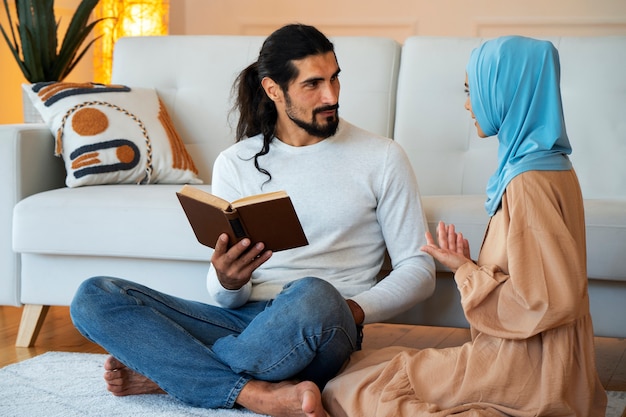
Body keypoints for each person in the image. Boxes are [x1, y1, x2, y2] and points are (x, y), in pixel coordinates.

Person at [70, 23, 435, 417]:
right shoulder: (236, 162)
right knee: (93, 295)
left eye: (334, 79)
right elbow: (224, 296)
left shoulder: (381, 156)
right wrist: (228, 280)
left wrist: (352, 309)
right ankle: (253, 393)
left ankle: (174, 373)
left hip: (325, 321)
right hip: (241, 322)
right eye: (313, 84)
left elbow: (419, 268)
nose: (331, 96)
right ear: (273, 90)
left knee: (312, 291)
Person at [319, 36, 607, 416]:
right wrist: (467, 266)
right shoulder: (553, 166)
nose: (469, 105)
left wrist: (468, 272)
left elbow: (546, 301)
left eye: (474, 91)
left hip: (527, 371)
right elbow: (542, 277)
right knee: (365, 368)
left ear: (505, 91)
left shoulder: (528, 180)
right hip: (552, 365)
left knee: (346, 390)